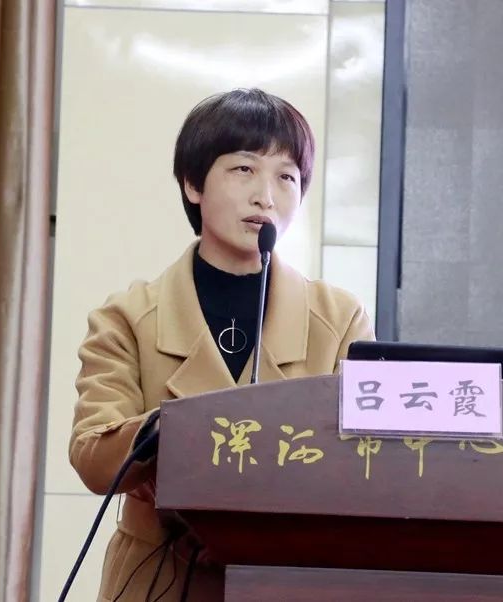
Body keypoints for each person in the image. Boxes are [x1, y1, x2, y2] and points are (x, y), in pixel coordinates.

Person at [69, 88, 374, 601]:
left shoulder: (340, 319)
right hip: (157, 579)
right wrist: (170, 430)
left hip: (286, 580)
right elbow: (93, 459)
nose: (266, 196)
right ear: (193, 184)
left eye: (287, 177)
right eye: (244, 169)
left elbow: (364, 465)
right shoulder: (127, 317)